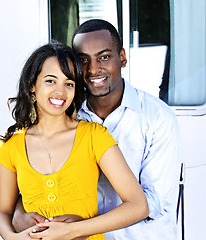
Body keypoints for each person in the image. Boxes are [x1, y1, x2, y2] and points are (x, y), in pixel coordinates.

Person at [13, 19, 181, 240]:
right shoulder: (64, 114)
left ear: (122, 57)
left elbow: (153, 202)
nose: (93, 69)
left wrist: (81, 226)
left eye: (104, 57)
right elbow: (31, 179)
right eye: (83, 60)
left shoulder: (158, 117)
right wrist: (19, 213)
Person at [0, 42, 149, 240]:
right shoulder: (10, 147)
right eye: (50, 81)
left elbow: (139, 206)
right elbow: (3, 213)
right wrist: (12, 237)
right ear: (32, 85)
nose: (60, 91)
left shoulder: (94, 136)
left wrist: (73, 230)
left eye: (69, 83)